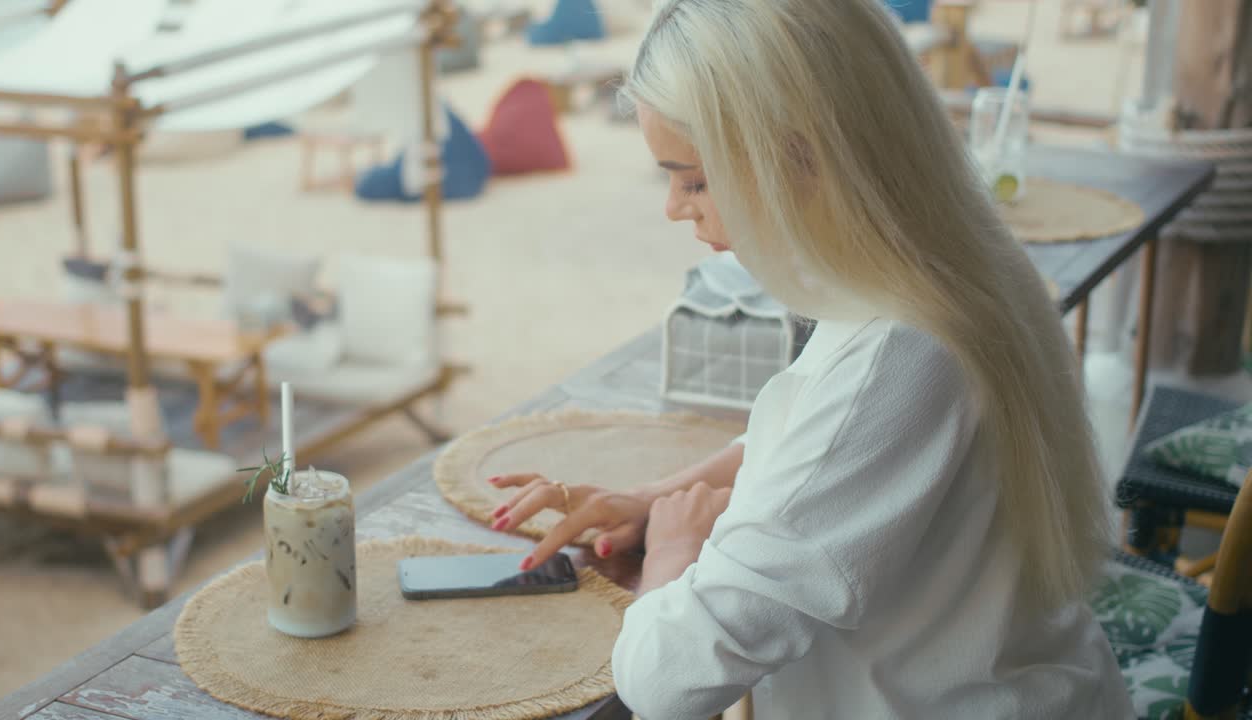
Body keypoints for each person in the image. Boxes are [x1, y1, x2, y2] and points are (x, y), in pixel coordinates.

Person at [484, 0, 1133, 717]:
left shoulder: (899, 349)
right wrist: (660, 498)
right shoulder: (946, 264)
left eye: (694, 180)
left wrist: (673, 551)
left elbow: (665, 679)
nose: (674, 207)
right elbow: (828, 443)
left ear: (800, 158)